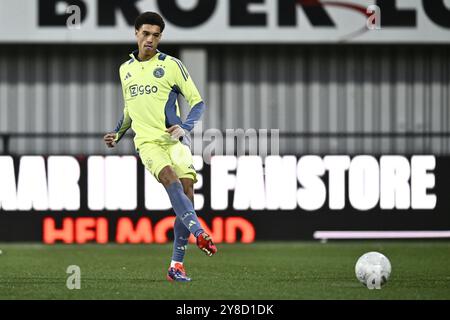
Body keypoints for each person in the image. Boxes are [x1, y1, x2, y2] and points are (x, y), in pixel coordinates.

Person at [103, 11, 216, 282]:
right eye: (145, 33)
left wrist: (185, 127)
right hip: (148, 142)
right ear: (136, 34)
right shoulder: (125, 69)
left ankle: (176, 266)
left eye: (155, 35)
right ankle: (200, 232)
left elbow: (198, 102)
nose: (150, 39)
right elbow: (129, 110)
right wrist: (117, 134)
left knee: (187, 193)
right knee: (170, 179)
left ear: (160, 37)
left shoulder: (172, 65)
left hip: (175, 140)